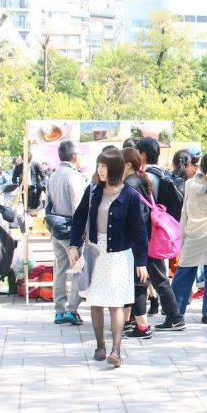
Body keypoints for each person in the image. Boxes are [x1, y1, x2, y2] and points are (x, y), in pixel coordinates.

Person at [68, 147, 149, 368]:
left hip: (119, 255)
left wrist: (142, 261)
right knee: (95, 301)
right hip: (95, 251)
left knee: (115, 303)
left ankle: (116, 350)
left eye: (104, 166)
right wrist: (74, 245)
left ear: (114, 168)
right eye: (98, 166)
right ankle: (100, 345)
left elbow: (140, 231)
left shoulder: (130, 195)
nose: (100, 170)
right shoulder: (93, 190)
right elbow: (78, 219)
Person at [170, 153, 207, 324]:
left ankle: (175, 308)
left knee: (184, 271)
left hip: (193, 234)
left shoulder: (190, 184)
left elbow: (185, 210)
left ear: (201, 166)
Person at [135, 137, 185, 331]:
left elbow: (145, 209)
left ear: (143, 155)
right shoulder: (163, 173)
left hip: (150, 234)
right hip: (162, 231)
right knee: (157, 275)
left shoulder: (147, 177)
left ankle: (174, 316)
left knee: (157, 276)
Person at [46, 140, 86, 326]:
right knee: (78, 270)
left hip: (56, 228)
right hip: (71, 230)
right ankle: (72, 309)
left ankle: (59, 311)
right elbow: (78, 208)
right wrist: (82, 233)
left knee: (60, 270)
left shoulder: (53, 176)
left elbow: (47, 205)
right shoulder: (73, 176)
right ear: (74, 155)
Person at [121, 147, 154, 340]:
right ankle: (127, 322)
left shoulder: (129, 185)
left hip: (134, 242)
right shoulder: (140, 181)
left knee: (138, 283)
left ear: (127, 164)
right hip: (141, 240)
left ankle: (142, 327)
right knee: (133, 283)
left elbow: (136, 218)